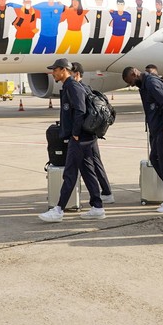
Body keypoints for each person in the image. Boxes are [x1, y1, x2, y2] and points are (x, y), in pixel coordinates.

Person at [38, 59, 105, 222]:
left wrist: (75, 133)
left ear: (64, 70)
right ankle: (97, 207)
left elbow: (80, 110)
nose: (52, 72)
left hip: (80, 137)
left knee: (70, 173)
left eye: (55, 69)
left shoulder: (72, 86)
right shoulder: (68, 86)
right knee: (88, 172)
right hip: (84, 137)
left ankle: (59, 210)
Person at [122, 65, 163, 213]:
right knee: (154, 158)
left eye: (130, 81)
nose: (131, 85)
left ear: (134, 73)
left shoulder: (151, 83)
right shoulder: (144, 85)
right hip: (158, 129)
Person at [72, 62, 114, 203]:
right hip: (92, 131)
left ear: (76, 74)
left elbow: (80, 112)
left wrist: (76, 132)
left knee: (87, 165)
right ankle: (107, 192)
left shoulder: (78, 89)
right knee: (96, 161)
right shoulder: (87, 88)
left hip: (85, 132)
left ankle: (99, 198)